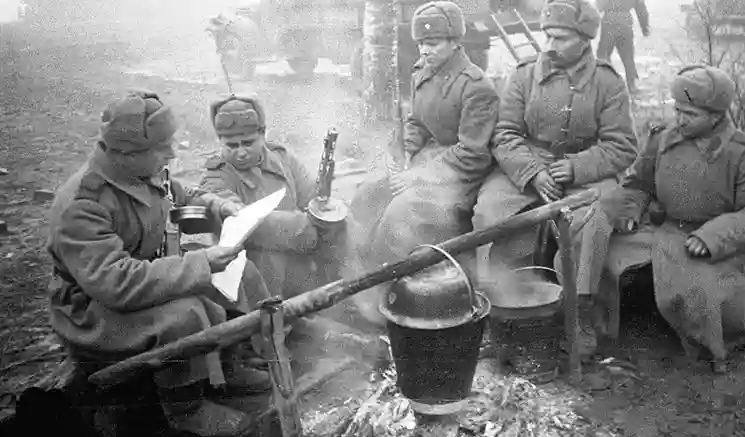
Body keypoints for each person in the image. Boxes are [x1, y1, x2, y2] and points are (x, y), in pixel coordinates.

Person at [47, 90, 272, 437]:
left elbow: (181, 196)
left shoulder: (141, 171)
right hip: (91, 309)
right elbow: (115, 284)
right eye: (162, 147)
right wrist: (201, 263)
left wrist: (217, 206)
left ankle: (229, 367)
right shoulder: (84, 204)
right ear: (125, 153)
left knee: (239, 273)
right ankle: (185, 407)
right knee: (183, 313)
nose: (172, 152)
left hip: (143, 279)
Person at [474, 0, 638, 359]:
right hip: (528, 166)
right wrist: (533, 172)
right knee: (490, 211)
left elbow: (622, 146)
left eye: (560, 37)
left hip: (586, 174)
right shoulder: (524, 74)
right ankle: (499, 310)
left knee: (592, 220)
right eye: (546, 35)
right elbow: (504, 134)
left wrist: (577, 168)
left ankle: (577, 315)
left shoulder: (608, 82)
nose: (549, 44)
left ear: (585, 39)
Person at [600, 65, 745, 372]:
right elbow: (638, 183)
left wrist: (714, 236)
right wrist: (629, 209)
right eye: (677, 110)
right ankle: (619, 331)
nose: (680, 119)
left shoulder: (744, 154)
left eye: (691, 113)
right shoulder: (662, 140)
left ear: (716, 115)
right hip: (662, 229)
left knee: (701, 292)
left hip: (715, 241)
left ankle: (705, 351)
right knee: (607, 256)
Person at [347, 0, 499, 324]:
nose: (424, 51)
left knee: (401, 213)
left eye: (432, 43)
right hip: (425, 161)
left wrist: (418, 176)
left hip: (459, 174)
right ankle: (358, 282)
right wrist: (402, 153)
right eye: (420, 44)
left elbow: (472, 153)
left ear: (456, 41)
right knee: (367, 193)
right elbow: (416, 123)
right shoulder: (422, 73)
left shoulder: (477, 87)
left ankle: (389, 297)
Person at [199, 93, 347, 301]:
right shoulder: (216, 176)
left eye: (248, 143)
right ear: (220, 141)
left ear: (263, 135)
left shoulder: (282, 158)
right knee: (268, 255)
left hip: (297, 259)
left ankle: (349, 299)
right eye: (231, 146)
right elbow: (242, 220)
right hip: (251, 275)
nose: (240, 152)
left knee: (343, 228)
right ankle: (270, 327)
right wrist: (306, 226)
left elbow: (311, 198)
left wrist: (327, 216)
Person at [595, 0, 650, 94]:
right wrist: (644, 27)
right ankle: (632, 85)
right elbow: (641, 8)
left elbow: (599, 6)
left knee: (603, 55)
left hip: (609, 22)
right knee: (628, 57)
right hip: (625, 23)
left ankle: (606, 83)